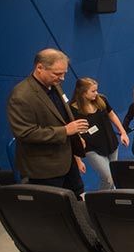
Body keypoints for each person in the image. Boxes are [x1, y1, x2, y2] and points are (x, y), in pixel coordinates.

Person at [6, 48, 89, 196]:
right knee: (53, 206)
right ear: (39, 68)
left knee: (76, 198)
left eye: (64, 73)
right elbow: (25, 133)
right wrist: (65, 131)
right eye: (57, 73)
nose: (62, 78)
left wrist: (75, 136)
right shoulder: (21, 96)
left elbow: (62, 115)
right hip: (45, 169)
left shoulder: (54, 84)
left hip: (67, 160)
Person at [70, 77, 129, 190]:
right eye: (93, 91)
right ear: (83, 92)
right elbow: (73, 135)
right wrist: (78, 160)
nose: (96, 93)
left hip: (111, 143)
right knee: (108, 178)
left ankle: (112, 197)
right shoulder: (72, 110)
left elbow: (112, 115)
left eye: (96, 90)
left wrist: (123, 132)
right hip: (92, 148)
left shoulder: (101, 99)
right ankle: (101, 199)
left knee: (113, 176)